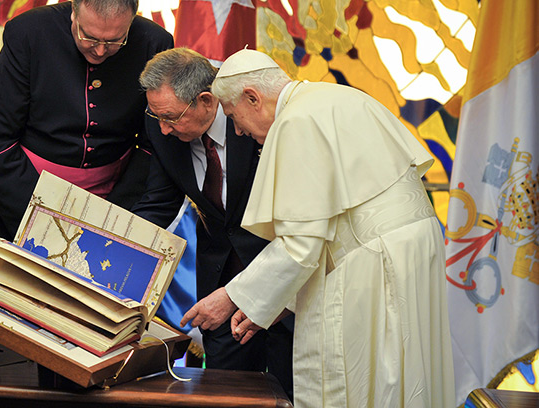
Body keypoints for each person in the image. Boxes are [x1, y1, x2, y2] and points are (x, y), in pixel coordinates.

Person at [181, 48, 456, 407]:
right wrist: (273, 302)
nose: (238, 131)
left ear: (253, 98)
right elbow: (329, 226)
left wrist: (233, 295)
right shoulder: (333, 97)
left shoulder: (296, 121)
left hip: (374, 264)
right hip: (408, 249)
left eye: (234, 116)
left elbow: (301, 245)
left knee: (363, 383)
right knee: (405, 375)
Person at [0, 0, 173, 353]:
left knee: (89, 339)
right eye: (90, 37)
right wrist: (45, 226)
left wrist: (110, 221)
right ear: (74, 8)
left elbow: (154, 143)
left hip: (110, 207)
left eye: (115, 41)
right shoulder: (28, 33)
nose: (101, 50)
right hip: (18, 200)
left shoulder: (154, 43)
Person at [132, 47, 294, 399]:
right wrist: (125, 256)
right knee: (225, 393)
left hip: (285, 283)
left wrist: (260, 290)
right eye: (156, 115)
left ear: (207, 101)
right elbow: (158, 202)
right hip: (219, 281)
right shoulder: (160, 124)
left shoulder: (256, 114)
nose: (163, 128)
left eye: (172, 117)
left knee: (290, 389)